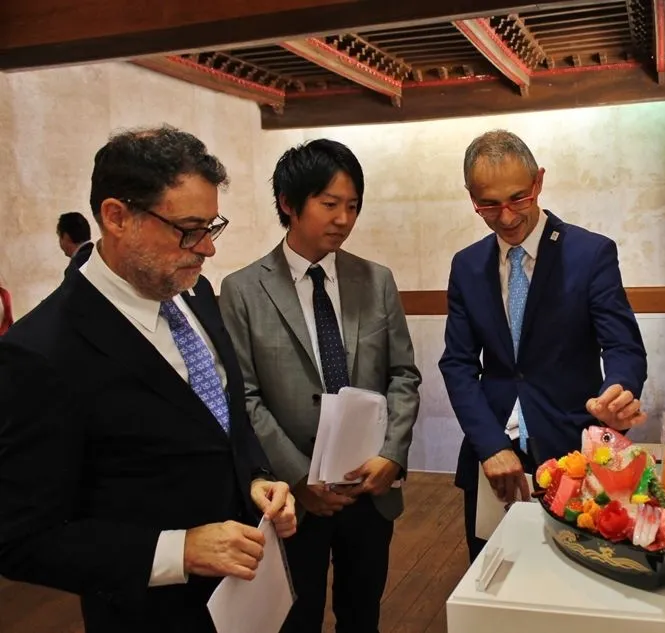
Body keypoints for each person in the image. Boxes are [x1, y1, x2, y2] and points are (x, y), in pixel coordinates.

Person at [0, 125, 297, 633]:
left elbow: (224, 423)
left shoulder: (194, 293)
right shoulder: (41, 352)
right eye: (188, 229)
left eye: (212, 227)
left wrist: (256, 478)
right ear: (117, 217)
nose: (207, 249)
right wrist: (177, 550)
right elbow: (19, 539)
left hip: (251, 593)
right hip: (152, 614)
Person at [219, 138, 421, 633]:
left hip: (369, 487)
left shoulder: (376, 280)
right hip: (294, 498)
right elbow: (244, 397)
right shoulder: (242, 290)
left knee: (362, 611)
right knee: (296, 616)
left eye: (352, 206)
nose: (344, 219)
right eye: (329, 204)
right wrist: (301, 479)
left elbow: (403, 375)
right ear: (289, 203)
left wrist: (392, 454)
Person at [439, 129, 650, 562]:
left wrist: (619, 391)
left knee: (577, 573)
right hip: (493, 454)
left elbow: (623, 346)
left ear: (538, 181)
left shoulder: (590, 254)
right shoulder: (466, 266)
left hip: (572, 444)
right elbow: (458, 363)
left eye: (519, 198)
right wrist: (490, 443)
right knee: (492, 574)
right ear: (471, 197)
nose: (507, 217)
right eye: (488, 205)